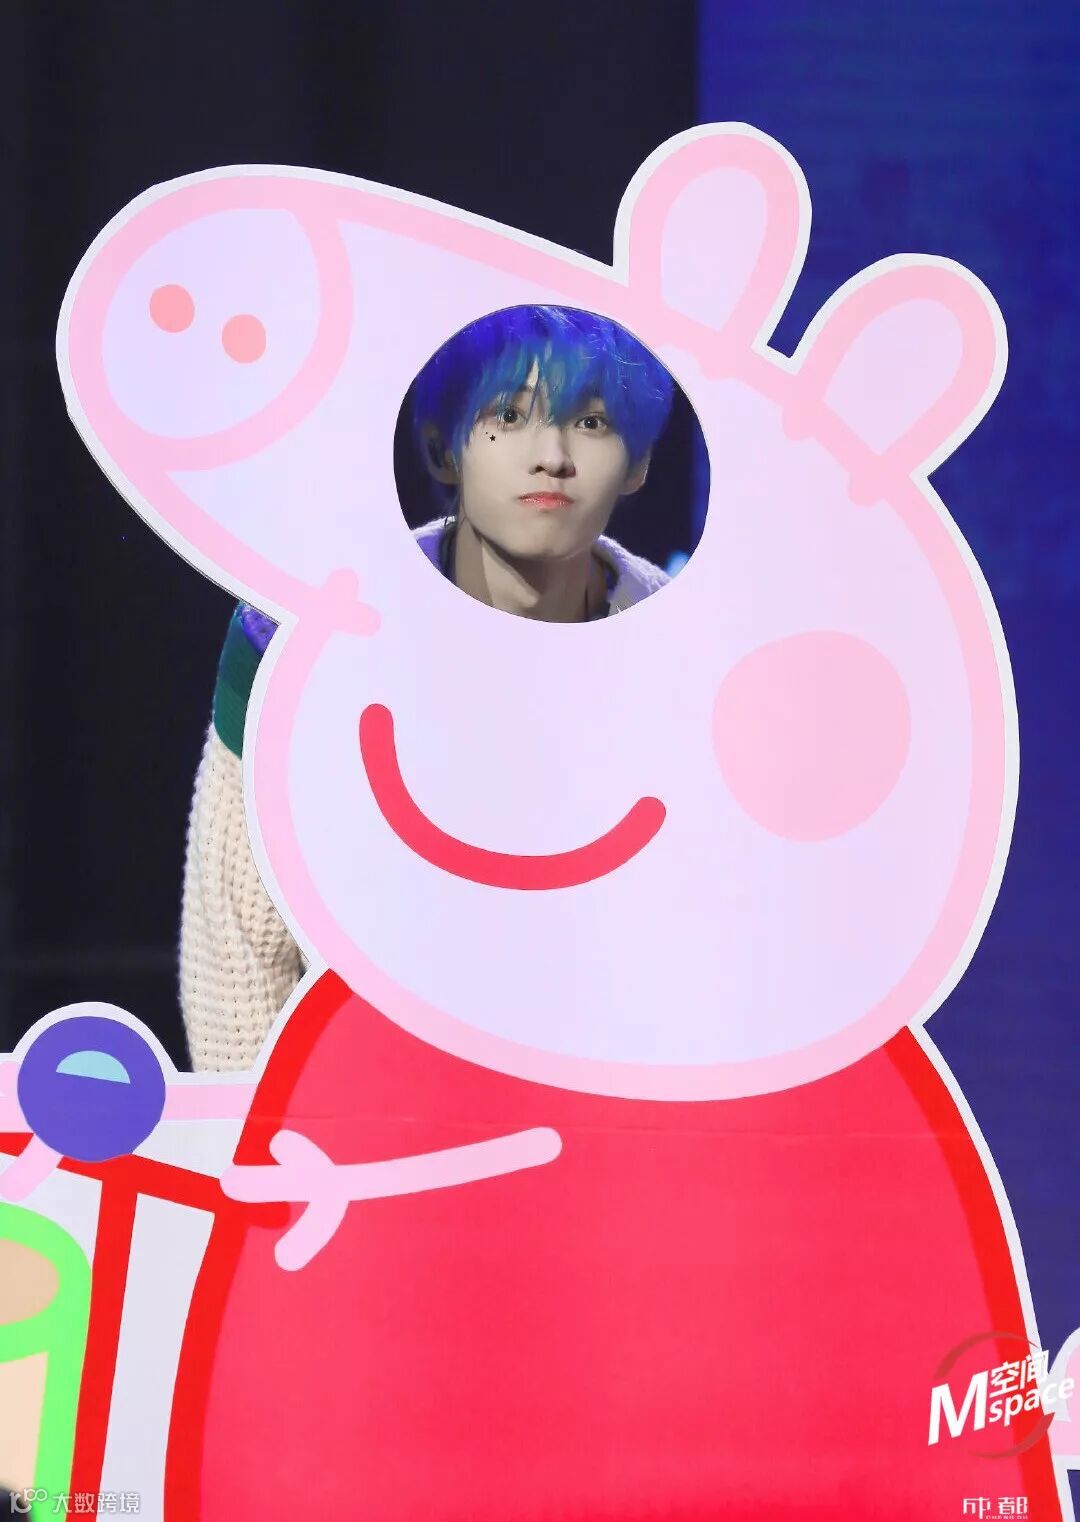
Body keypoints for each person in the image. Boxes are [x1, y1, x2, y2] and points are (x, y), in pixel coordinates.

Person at [179, 305, 675, 1070]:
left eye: (591, 423)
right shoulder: (295, 634)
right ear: (445, 449)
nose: (550, 457)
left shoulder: (685, 651)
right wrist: (258, 1129)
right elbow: (240, 941)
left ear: (638, 463)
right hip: (362, 1107)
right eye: (508, 415)